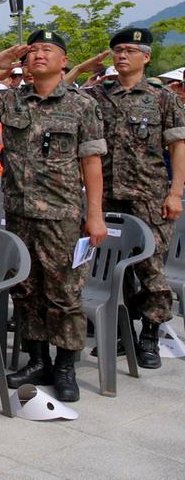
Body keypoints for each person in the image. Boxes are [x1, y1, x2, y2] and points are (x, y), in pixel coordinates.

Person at [0, 30, 108, 403]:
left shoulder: (81, 105)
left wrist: (95, 214)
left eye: (48, 50)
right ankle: (36, 358)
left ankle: (65, 364)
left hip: (63, 215)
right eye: (33, 50)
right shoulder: (11, 100)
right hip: (19, 213)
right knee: (26, 291)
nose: (38, 55)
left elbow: (91, 162)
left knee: (65, 293)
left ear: (64, 61)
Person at [77, 28, 185, 369]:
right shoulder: (98, 94)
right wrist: (83, 67)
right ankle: (122, 334)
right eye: (117, 50)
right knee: (110, 269)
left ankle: (150, 335)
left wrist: (175, 192)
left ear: (146, 57)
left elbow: (177, 145)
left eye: (129, 50)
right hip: (107, 195)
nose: (121, 56)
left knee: (151, 269)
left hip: (149, 195)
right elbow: (62, 92)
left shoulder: (163, 98)